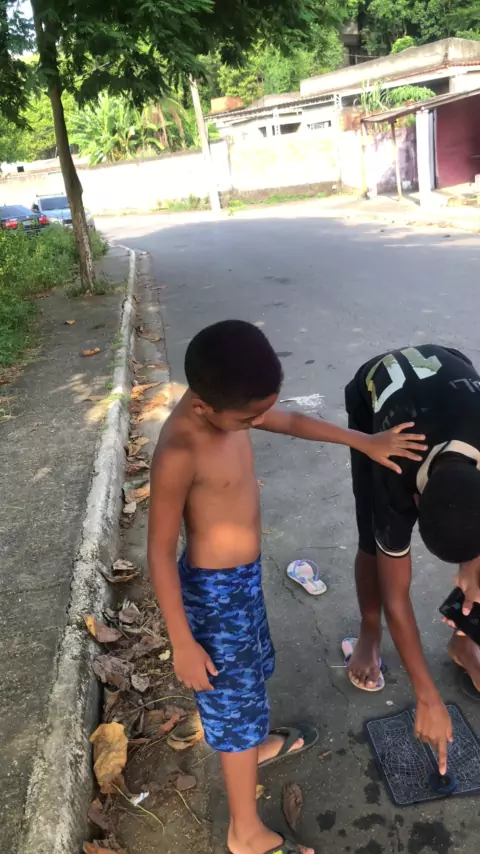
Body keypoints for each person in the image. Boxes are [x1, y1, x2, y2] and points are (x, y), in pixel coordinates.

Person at [148, 321, 425, 854]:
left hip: (241, 583)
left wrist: (364, 441)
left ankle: (255, 747)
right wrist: (182, 642)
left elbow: (291, 421)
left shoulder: (230, 404)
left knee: (250, 679)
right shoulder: (180, 450)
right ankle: (245, 832)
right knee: (233, 704)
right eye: (249, 419)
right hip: (214, 598)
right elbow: (159, 553)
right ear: (204, 407)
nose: (258, 423)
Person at [345, 344, 480, 775]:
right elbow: (397, 596)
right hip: (377, 393)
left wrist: (473, 566)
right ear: (416, 502)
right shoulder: (396, 472)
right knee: (373, 539)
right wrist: (426, 695)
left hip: (448, 367)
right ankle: (369, 632)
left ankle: (465, 641)